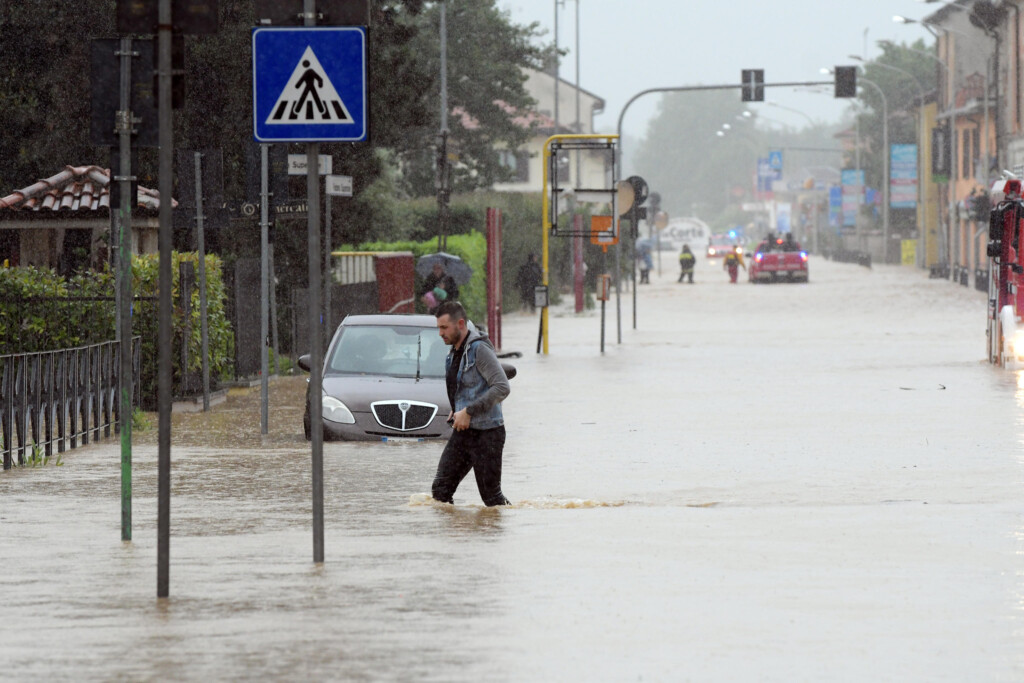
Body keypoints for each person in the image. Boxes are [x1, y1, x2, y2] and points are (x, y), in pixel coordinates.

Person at [431, 300, 511, 507]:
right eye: (438, 328)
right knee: (440, 491)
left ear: (460, 323)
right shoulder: (453, 354)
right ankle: (457, 537)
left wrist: (469, 411)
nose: (440, 333)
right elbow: (466, 387)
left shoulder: (479, 349)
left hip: (488, 434)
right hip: (463, 433)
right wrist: (457, 410)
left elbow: (502, 387)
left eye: (443, 327)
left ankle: (499, 535)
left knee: (492, 500)